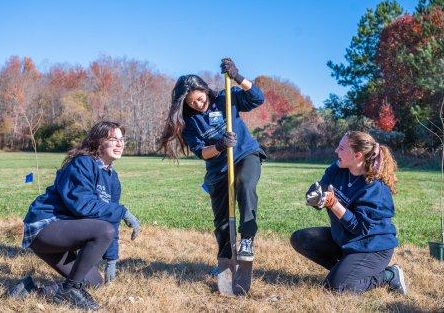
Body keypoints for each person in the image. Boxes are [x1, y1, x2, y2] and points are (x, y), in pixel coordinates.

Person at [8, 121, 141, 310]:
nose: (120, 144)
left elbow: (109, 217)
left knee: (93, 281)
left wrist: (112, 258)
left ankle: (30, 291)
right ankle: (69, 290)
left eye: (121, 139)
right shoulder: (82, 163)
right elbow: (82, 205)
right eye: (113, 139)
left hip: (63, 235)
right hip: (45, 227)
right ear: (98, 142)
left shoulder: (113, 179)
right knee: (103, 231)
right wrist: (124, 212)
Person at [160, 58, 265, 263]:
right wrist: (219, 146)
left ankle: (247, 239)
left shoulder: (226, 98)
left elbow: (257, 98)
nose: (198, 105)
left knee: (245, 184)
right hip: (219, 169)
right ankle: (225, 261)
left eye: (199, 98)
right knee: (222, 221)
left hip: (245, 154)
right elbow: (201, 152)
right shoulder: (190, 122)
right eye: (191, 103)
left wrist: (237, 77)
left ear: (205, 90)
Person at [290, 131, 407, 295]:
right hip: (345, 240)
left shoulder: (374, 188)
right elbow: (321, 188)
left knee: (336, 288)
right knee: (301, 239)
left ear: (357, 155)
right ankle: (346, 271)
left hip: (371, 248)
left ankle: (388, 275)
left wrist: (334, 204)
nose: (336, 151)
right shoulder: (338, 168)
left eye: (342, 148)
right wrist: (315, 197)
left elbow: (359, 228)